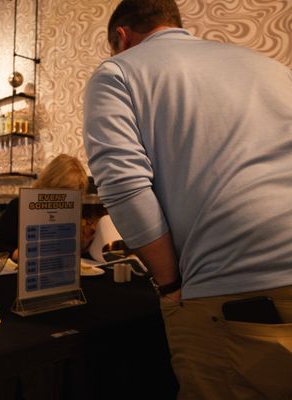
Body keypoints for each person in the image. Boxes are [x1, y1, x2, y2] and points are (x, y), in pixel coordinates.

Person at [83, 0, 292, 398]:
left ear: (122, 36)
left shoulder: (118, 71)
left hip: (231, 291)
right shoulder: (271, 67)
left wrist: (170, 284)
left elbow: (124, 186)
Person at [0, 154, 93, 262]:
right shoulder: (20, 206)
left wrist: (82, 245)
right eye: (66, 192)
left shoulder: (70, 212)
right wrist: (15, 253)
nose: (68, 200)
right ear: (51, 183)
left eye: (75, 195)